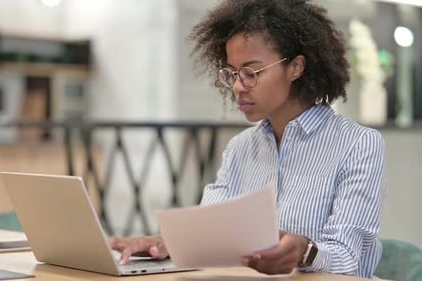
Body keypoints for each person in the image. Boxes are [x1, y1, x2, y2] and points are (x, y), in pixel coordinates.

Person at [109, 0, 386, 278]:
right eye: (232, 73)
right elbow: (210, 232)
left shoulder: (358, 145)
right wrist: (164, 243)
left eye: (251, 73)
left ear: (296, 67)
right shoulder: (240, 148)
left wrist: (304, 251)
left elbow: (350, 259)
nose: (237, 86)